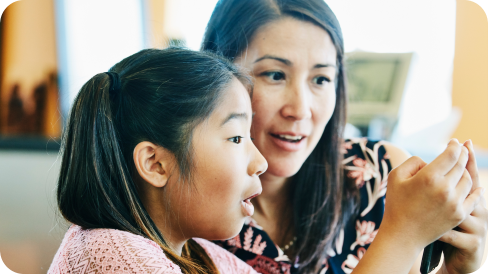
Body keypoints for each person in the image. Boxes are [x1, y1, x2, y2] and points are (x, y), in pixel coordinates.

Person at [201, 0, 488, 273]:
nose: (300, 110)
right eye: (275, 75)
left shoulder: (382, 176)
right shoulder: (185, 206)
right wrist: (403, 236)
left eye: (321, 79)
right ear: (215, 75)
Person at [48, 48, 268, 274]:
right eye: (236, 138)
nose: (261, 163)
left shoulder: (195, 253)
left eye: (249, 137)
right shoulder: (118, 258)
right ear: (155, 164)